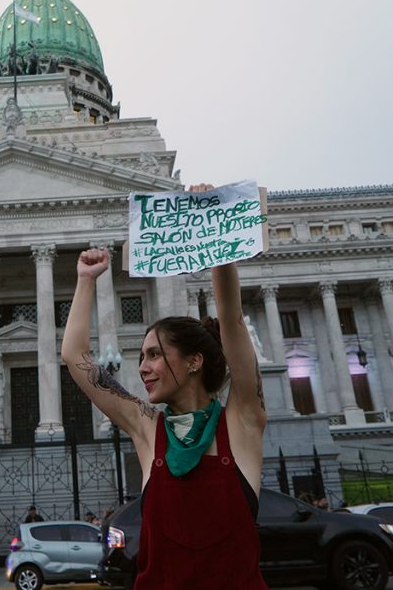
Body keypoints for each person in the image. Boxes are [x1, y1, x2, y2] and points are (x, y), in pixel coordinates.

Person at [62, 199, 269, 590]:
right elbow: (76, 358)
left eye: (155, 355)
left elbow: (232, 318)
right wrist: (86, 280)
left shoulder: (241, 423)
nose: (142, 368)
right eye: (142, 356)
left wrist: (217, 229)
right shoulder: (149, 430)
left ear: (194, 361)